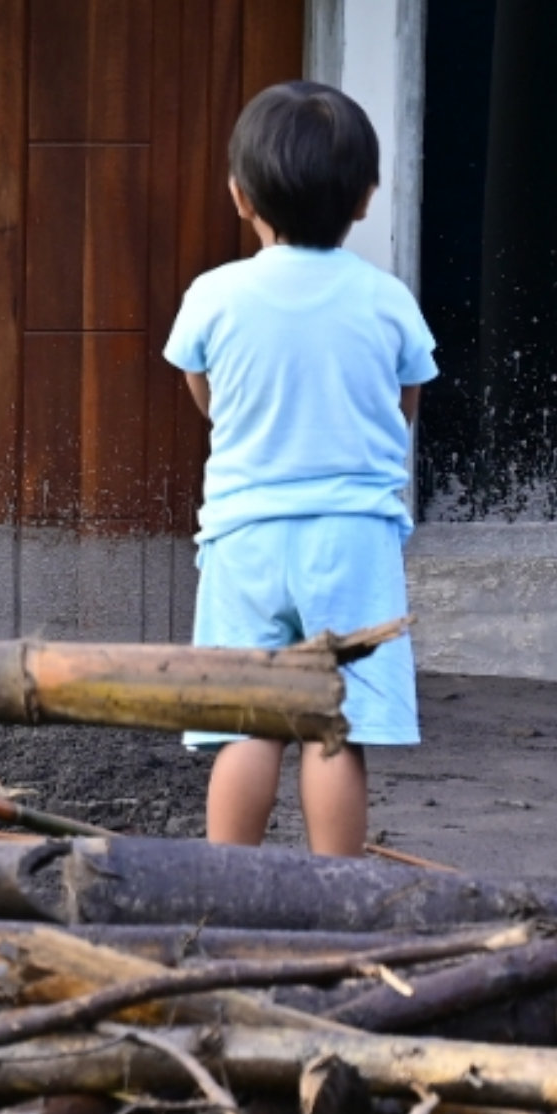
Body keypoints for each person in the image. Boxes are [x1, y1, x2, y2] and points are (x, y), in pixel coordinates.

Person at [161, 80, 437, 857]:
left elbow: (202, 388)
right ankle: (338, 895)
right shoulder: (388, 302)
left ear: (240, 196)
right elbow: (403, 402)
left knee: (250, 718)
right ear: (365, 200)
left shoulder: (213, 295)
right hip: (352, 542)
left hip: (245, 538)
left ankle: (227, 885)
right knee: (331, 727)